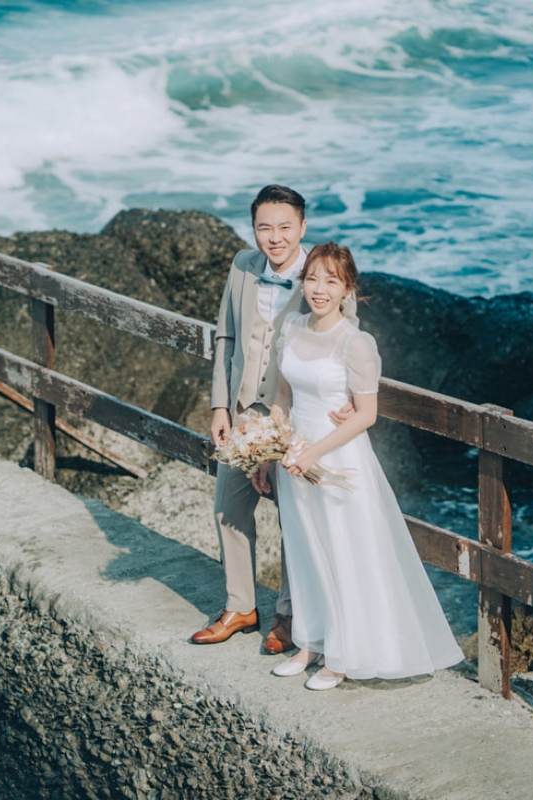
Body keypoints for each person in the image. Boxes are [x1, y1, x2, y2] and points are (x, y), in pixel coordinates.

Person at [253, 242, 464, 690]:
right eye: (312, 278)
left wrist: (313, 452)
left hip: (339, 460)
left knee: (344, 552)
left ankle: (343, 657)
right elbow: (282, 397)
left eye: (331, 280)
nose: (319, 288)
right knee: (305, 551)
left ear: (348, 287)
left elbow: (367, 415)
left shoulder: (356, 342)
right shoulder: (290, 327)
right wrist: (271, 446)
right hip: (295, 455)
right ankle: (310, 643)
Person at [191, 185, 354, 652]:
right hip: (243, 415)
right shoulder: (242, 266)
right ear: (254, 229)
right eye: (265, 227)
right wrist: (220, 406)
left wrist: (348, 401)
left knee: (295, 521)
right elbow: (225, 337)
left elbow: (350, 335)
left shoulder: (322, 275)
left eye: (285, 227)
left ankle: (288, 615)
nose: (275, 237)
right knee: (229, 509)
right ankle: (240, 606)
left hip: (297, 420)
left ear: (303, 227)